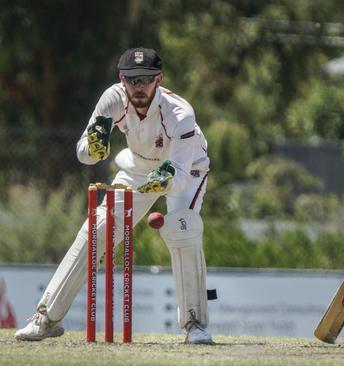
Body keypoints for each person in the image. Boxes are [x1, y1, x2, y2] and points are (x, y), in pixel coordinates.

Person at [15, 47, 213, 343]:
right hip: (137, 167)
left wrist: (165, 182)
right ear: (122, 79)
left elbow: (182, 176)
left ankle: (195, 324)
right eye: (132, 79)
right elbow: (83, 153)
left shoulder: (180, 112)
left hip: (186, 168)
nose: (138, 86)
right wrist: (93, 150)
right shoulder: (112, 98)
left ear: (158, 79)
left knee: (181, 226)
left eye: (146, 79)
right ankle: (46, 318)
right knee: (98, 229)